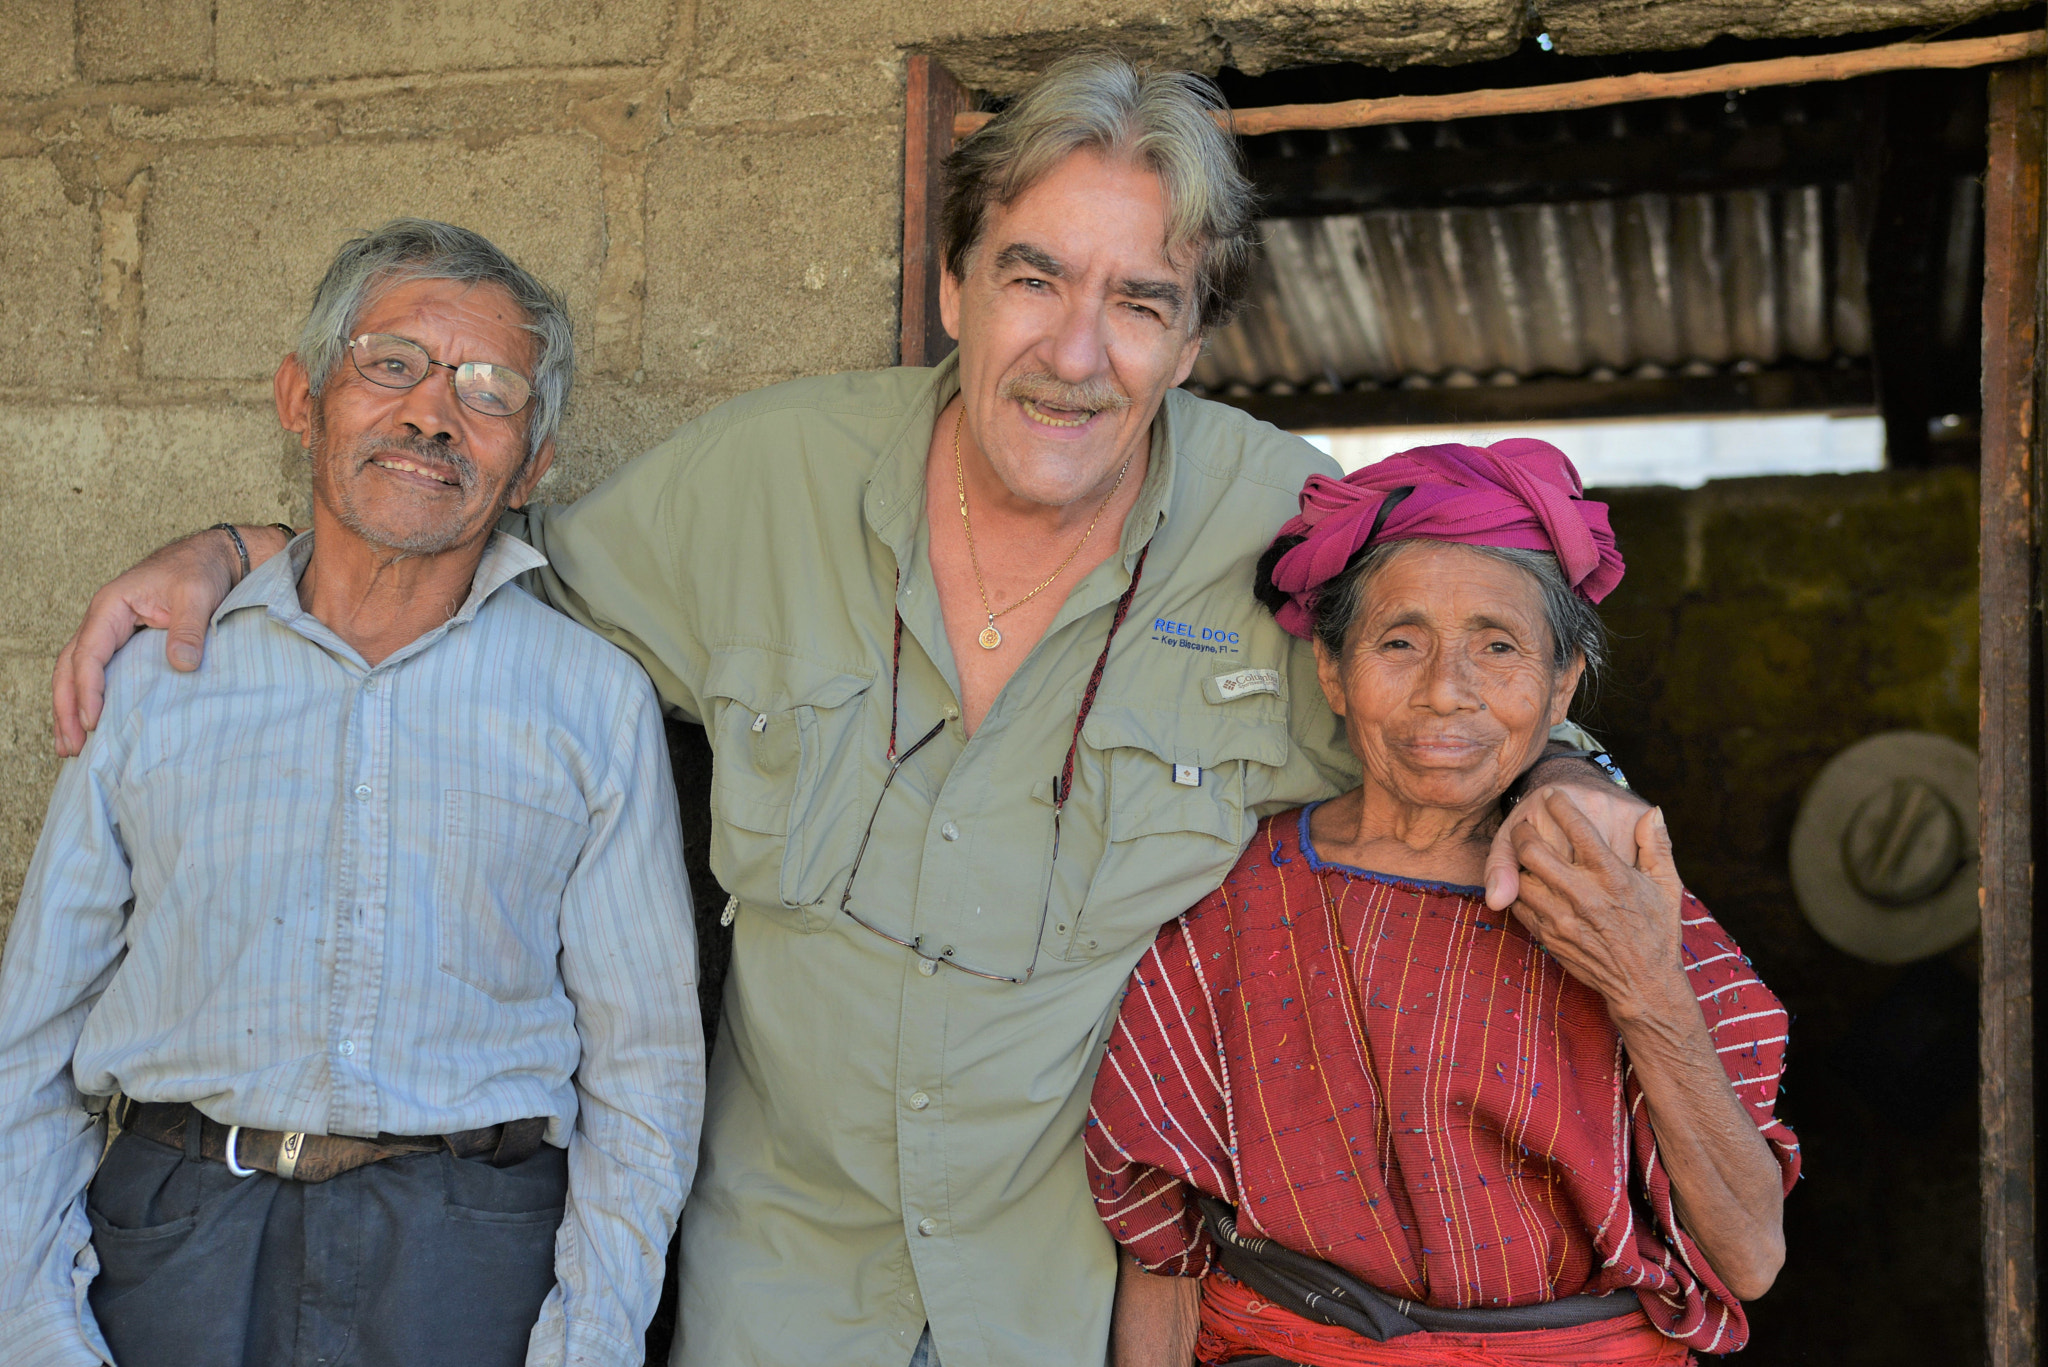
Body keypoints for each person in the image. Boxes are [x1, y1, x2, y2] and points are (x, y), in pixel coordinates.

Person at [45, 59, 1649, 1366]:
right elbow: (460, 564)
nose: (1077, 355)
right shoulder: (761, 480)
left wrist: (1566, 777)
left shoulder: (1279, 525)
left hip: (1066, 1291)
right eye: (1034, 277)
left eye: (1140, 301)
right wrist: (246, 549)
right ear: (955, 286)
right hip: (779, 1285)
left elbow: (1465, 688)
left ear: (1192, 336)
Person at [0, 220, 705, 1367]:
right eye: (391, 363)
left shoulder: (589, 697)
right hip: (176, 1241)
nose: (432, 412)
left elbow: (646, 1073)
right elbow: (27, 1038)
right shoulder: (158, 675)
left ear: (530, 461)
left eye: (489, 389)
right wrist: (33, 1326)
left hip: (466, 1258)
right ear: (302, 395)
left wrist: (589, 1339)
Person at [1087, 440, 1798, 1367]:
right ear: (1333, 673)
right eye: (1400, 641)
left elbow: (1749, 1256)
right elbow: (1164, 1244)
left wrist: (1646, 989)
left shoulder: (1626, 901)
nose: (1444, 692)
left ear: (1560, 687)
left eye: (1497, 646)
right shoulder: (1238, 896)